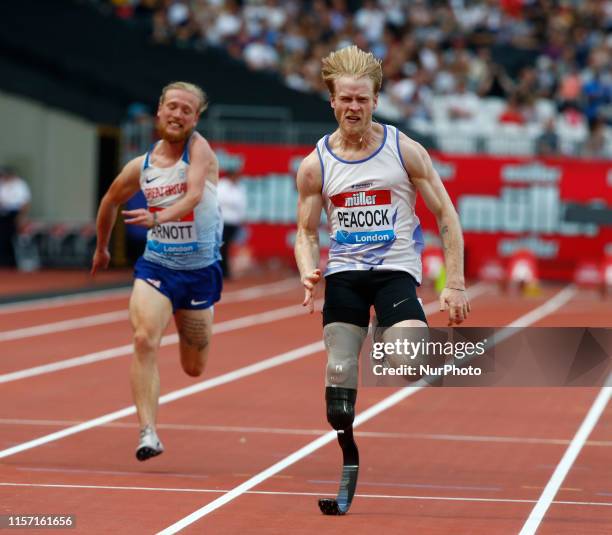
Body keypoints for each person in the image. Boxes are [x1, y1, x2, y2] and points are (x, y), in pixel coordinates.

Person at [294, 46, 470, 512]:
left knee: (408, 361)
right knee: (339, 369)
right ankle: (349, 458)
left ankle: (392, 335)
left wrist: (454, 282)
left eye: (363, 100)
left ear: (376, 100)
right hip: (347, 275)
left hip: (394, 273)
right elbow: (306, 232)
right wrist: (307, 269)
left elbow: (445, 214)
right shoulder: (315, 165)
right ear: (332, 101)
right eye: (346, 99)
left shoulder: (404, 150)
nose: (354, 108)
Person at [91, 81, 223, 461]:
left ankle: (197, 311)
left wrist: (158, 217)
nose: (178, 114)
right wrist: (101, 246)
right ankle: (148, 432)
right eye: (173, 107)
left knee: (194, 367)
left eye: (187, 109)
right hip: (157, 267)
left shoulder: (200, 150)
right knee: (143, 340)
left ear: (195, 118)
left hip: (200, 272)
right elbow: (110, 200)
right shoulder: (141, 165)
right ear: (159, 111)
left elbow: (195, 194)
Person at [217, 165, 247, 279]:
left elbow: (242, 205)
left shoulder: (239, 187)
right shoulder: (222, 185)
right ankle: (222, 270)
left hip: (234, 222)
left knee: (227, 246)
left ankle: (225, 270)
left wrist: (241, 218)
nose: (237, 177)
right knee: (222, 246)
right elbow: (220, 200)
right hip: (223, 221)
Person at [0, 167, 31, 268]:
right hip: (2, 213)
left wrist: (21, 216)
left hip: (14, 213)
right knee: (2, 237)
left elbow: (25, 201)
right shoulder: (2, 183)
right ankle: (3, 260)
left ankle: (12, 262)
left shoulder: (19, 184)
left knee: (12, 237)